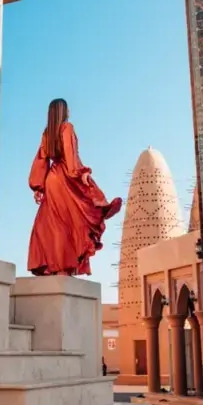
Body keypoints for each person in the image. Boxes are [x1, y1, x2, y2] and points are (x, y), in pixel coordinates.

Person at [28, 98, 122, 276]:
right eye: (68, 108)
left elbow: (41, 159)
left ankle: (55, 267)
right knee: (72, 223)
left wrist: (39, 186)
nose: (70, 110)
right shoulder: (66, 128)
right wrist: (82, 173)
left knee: (54, 226)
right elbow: (71, 158)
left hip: (51, 180)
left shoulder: (47, 133)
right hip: (65, 179)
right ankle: (64, 268)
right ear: (62, 110)